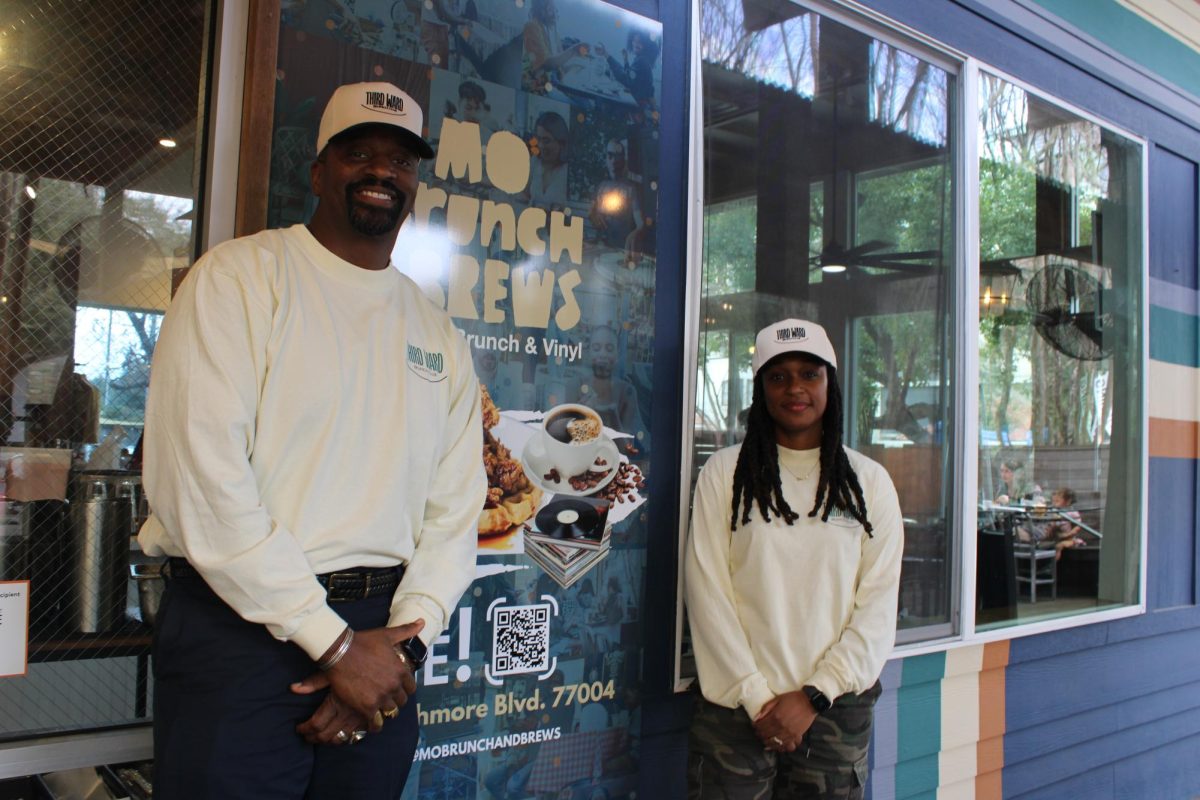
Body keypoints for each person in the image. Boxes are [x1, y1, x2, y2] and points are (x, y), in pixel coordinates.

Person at [139, 81, 487, 799]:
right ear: (318, 170)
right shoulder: (238, 280)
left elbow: (456, 514)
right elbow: (202, 484)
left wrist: (399, 648)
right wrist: (330, 644)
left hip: (383, 636)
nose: (381, 173)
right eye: (358, 152)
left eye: (400, 161)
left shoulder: (437, 336)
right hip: (239, 634)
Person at [684, 318, 904, 798]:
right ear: (760, 387)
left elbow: (878, 607)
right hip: (736, 713)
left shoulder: (869, 482)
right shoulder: (725, 473)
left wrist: (815, 694)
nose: (795, 388)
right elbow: (707, 593)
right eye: (778, 376)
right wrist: (756, 697)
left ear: (831, 382)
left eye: (810, 373)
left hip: (834, 712)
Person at [588, 138, 646, 261]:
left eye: (618, 157)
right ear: (605, 158)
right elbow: (591, 211)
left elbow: (640, 223)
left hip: (620, 252)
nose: (614, 161)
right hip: (599, 248)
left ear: (623, 160)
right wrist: (593, 215)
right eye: (610, 156)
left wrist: (635, 234)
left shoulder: (631, 189)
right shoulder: (601, 186)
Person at [527, 110, 569, 205]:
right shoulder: (534, 162)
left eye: (546, 141)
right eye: (538, 139)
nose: (541, 145)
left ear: (561, 142)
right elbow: (523, 194)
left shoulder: (567, 171)